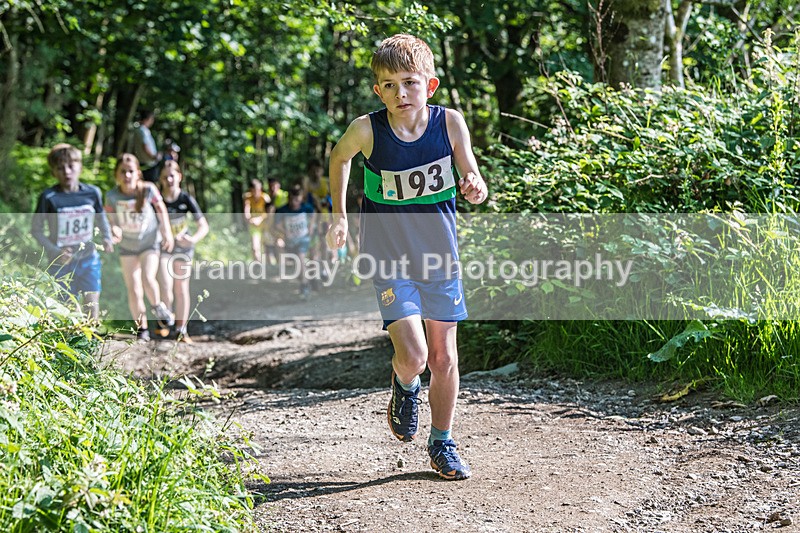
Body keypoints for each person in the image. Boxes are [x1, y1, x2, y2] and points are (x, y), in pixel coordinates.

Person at [326, 34, 488, 480]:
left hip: (440, 258)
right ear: (378, 90)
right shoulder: (367, 129)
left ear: (429, 86)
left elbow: (471, 171)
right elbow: (339, 159)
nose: (401, 93)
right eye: (390, 85)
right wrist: (339, 217)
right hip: (389, 258)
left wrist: (475, 185)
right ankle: (404, 384)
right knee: (414, 356)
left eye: (410, 83)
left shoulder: (449, 123)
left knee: (444, 357)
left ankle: (442, 443)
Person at [31, 143, 114, 319]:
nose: (67, 172)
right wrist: (55, 251)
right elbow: (36, 230)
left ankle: (90, 344)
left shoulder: (93, 193)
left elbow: (101, 217)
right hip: (61, 262)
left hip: (89, 258)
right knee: (67, 309)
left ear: (80, 166)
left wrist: (107, 237)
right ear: (53, 172)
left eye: (71, 166)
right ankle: (71, 343)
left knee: (91, 303)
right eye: (60, 168)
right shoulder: (48, 197)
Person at [105, 153, 175, 341]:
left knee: (147, 276)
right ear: (116, 175)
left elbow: (161, 210)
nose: (127, 176)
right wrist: (114, 230)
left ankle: (158, 306)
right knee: (133, 288)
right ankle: (141, 329)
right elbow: (111, 219)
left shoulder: (148, 190)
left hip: (149, 241)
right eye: (123, 172)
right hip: (127, 245)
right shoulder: (112, 196)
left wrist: (167, 232)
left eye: (130, 172)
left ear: (137, 173)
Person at [157, 160, 208, 342]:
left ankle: (181, 329)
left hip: (184, 248)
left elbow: (203, 225)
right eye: (165, 176)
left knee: (181, 287)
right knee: (165, 284)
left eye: (172, 175)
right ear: (161, 180)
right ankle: (166, 320)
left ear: (179, 176)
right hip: (164, 247)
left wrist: (192, 239)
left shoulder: (186, 199)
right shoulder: (157, 199)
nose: (169, 179)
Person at [275, 184, 316, 297]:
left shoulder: (306, 207)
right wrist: (284, 232)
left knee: (301, 257)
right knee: (297, 265)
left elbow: (313, 214)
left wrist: (311, 227)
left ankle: (304, 286)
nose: (295, 202)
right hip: (291, 241)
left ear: (301, 198)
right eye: (292, 199)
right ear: (289, 198)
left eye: (297, 199)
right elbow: (277, 224)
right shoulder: (283, 209)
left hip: (303, 238)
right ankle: (306, 280)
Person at [243, 178, 272, 263]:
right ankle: (257, 265)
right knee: (255, 247)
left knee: (267, 247)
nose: (257, 192)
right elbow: (246, 212)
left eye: (259, 189)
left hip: (265, 225)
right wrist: (249, 220)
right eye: (255, 190)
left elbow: (270, 213)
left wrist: (260, 219)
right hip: (254, 226)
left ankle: (269, 267)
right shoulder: (248, 198)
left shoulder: (265, 198)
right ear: (251, 190)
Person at [132, 109, 162, 183]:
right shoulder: (142, 130)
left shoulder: (140, 130)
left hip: (146, 164)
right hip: (148, 165)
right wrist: (154, 157)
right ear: (148, 119)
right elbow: (145, 146)